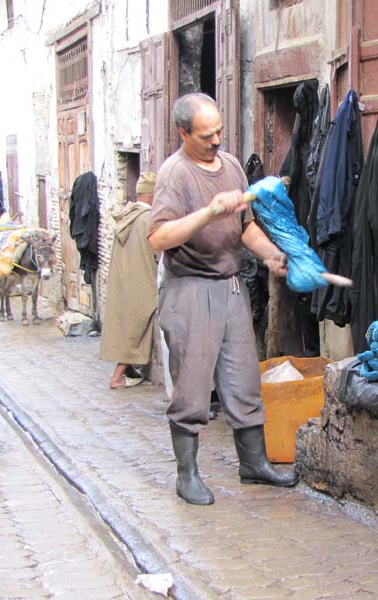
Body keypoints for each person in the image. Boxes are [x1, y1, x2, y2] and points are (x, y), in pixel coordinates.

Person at [148, 92, 296, 506]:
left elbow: (245, 225)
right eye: (206, 135)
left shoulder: (231, 166)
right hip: (190, 289)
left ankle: (254, 465)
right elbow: (158, 237)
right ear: (183, 133)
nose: (216, 142)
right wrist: (208, 213)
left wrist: (269, 254)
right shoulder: (174, 175)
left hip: (230, 288)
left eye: (219, 132)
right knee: (192, 388)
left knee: (244, 380)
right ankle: (187, 475)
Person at [99, 172, 159, 389]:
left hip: (124, 279)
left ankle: (129, 369)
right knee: (136, 325)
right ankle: (117, 376)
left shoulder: (128, 214)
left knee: (126, 324)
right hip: (141, 279)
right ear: (152, 195)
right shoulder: (147, 219)